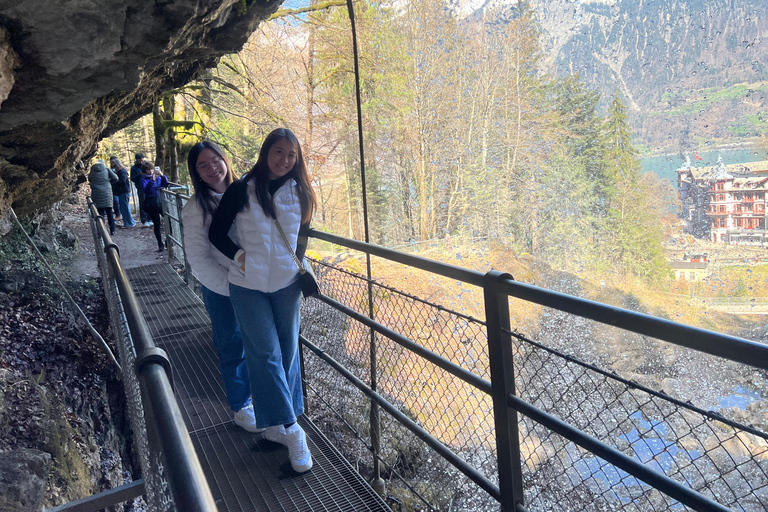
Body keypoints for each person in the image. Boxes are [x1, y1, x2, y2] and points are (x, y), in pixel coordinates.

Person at [209, 128, 316, 474]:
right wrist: (239, 256)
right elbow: (216, 233)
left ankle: (274, 427)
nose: (285, 161)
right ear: (266, 152)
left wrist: (297, 265)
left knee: (286, 354)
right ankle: (293, 429)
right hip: (247, 285)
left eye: (291, 156)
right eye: (279, 152)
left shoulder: (300, 192)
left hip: (286, 285)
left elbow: (302, 237)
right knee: (265, 354)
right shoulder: (242, 189)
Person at [181, 141, 259, 432]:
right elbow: (198, 257)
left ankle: (262, 396)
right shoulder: (196, 209)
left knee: (260, 343)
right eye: (203, 165)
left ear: (225, 160)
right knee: (232, 345)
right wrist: (231, 287)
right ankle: (241, 406)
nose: (212, 168)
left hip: (256, 283)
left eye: (215, 161)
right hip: (224, 288)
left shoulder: (246, 193)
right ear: (196, 172)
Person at [139, 161, 169, 251]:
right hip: (152, 204)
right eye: (148, 170)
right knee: (157, 224)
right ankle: (160, 244)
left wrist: (162, 175)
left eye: (152, 169)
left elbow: (166, 184)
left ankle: (168, 240)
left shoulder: (158, 178)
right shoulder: (143, 179)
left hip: (162, 202)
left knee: (169, 222)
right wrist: (151, 181)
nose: (151, 171)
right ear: (144, 171)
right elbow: (145, 190)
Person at [88, 159, 119, 235]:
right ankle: (112, 230)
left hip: (97, 193)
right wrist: (108, 182)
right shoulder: (106, 169)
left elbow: (89, 178)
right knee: (109, 212)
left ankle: (102, 230)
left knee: (100, 212)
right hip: (107, 192)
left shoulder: (93, 169)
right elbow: (116, 178)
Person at [109, 156, 136, 227]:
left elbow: (123, 181)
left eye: (114, 165)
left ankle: (129, 223)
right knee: (124, 207)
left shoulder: (122, 171)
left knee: (125, 208)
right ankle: (129, 222)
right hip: (121, 191)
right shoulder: (119, 171)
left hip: (124, 191)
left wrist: (114, 181)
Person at [130, 153, 151, 226]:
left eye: (142, 160)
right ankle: (144, 220)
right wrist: (140, 174)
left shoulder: (147, 165)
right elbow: (133, 178)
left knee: (150, 202)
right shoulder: (134, 168)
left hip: (149, 186)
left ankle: (150, 218)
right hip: (141, 187)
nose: (141, 162)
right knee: (142, 203)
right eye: (139, 161)